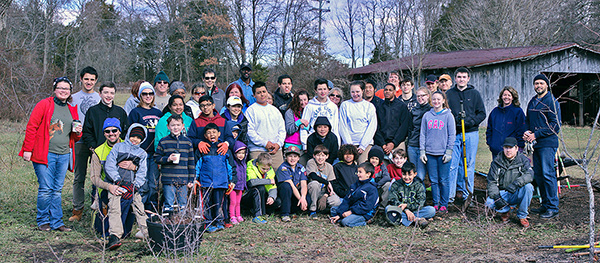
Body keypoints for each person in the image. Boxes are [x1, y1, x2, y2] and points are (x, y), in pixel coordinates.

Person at [20, 77, 82, 232]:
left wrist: (78, 133)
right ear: (55, 89)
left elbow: (73, 135)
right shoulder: (45, 105)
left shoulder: (71, 108)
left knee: (57, 189)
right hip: (45, 153)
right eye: (60, 88)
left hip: (63, 154)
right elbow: (32, 126)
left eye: (66, 89)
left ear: (70, 92)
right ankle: (43, 221)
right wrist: (28, 149)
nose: (63, 91)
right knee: (46, 188)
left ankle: (57, 222)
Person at [90, 118, 139, 239]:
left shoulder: (130, 146)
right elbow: (94, 178)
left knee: (127, 196)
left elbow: (143, 169)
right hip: (107, 189)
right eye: (107, 131)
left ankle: (118, 231)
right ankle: (112, 233)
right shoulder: (98, 151)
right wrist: (110, 187)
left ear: (120, 132)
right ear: (104, 133)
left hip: (127, 186)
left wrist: (134, 167)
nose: (111, 134)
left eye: (114, 130)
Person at [104, 124, 149, 250]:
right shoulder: (118, 147)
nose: (135, 139)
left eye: (138, 138)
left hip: (132, 186)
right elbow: (110, 164)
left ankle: (148, 233)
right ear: (129, 134)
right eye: (133, 136)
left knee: (139, 207)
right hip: (116, 185)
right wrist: (117, 180)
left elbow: (142, 172)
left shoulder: (142, 153)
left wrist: (135, 186)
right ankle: (114, 236)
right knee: (114, 207)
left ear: (142, 139)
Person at [446, 67, 486, 203]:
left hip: (470, 133)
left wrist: (470, 121)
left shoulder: (474, 93)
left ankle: (467, 193)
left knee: (468, 164)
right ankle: (450, 195)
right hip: (454, 134)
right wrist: (455, 122)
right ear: (455, 79)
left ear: (468, 79)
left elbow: (481, 113)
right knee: (452, 164)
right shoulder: (449, 94)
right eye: (459, 77)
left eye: (464, 77)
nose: (461, 79)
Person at [524, 74, 561, 219]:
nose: (538, 86)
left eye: (541, 83)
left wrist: (536, 134)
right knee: (539, 175)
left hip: (547, 143)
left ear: (547, 85)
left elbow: (555, 125)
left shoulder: (551, 101)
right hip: (536, 145)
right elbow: (528, 120)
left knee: (548, 174)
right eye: (536, 83)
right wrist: (527, 132)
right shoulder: (533, 101)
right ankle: (545, 204)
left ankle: (553, 206)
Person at [70, 66, 100, 222]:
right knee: (79, 176)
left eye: (92, 79)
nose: (89, 82)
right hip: (79, 141)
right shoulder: (73, 98)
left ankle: (99, 207)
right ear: (81, 79)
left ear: (96, 81)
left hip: (96, 142)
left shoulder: (99, 98)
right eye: (86, 79)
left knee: (98, 176)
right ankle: (78, 209)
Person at [128, 82, 163, 210]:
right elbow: (130, 133)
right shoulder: (135, 112)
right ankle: (139, 210)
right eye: (144, 94)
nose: (148, 96)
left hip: (154, 153)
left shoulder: (158, 112)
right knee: (142, 183)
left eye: (150, 93)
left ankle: (151, 210)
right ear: (140, 95)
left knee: (154, 184)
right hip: (140, 153)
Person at [195, 123, 237, 232]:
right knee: (207, 204)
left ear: (219, 134)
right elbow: (196, 166)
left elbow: (231, 166)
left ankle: (220, 222)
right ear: (205, 135)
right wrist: (195, 179)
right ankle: (208, 224)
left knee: (220, 204)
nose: (211, 135)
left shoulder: (224, 149)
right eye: (208, 133)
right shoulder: (202, 149)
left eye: (214, 132)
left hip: (221, 182)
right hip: (206, 182)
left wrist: (232, 181)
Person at [485, 137, 534, 228]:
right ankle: (505, 211)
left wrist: (516, 183)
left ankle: (522, 215)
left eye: (510, 148)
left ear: (516, 148)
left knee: (528, 187)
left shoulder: (523, 160)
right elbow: (491, 182)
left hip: (516, 190)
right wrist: (497, 197)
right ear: (503, 148)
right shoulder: (497, 162)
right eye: (506, 148)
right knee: (489, 203)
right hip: (503, 192)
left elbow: (530, 175)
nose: (508, 150)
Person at [420, 91, 456, 213]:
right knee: (433, 180)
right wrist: (422, 151)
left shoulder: (448, 116)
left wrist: (449, 151)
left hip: (443, 154)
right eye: (434, 99)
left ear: (443, 101)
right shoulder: (427, 116)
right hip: (430, 153)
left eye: (438, 99)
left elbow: (452, 135)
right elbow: (423, 134)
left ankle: (444, 204)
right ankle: (436, 203)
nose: (436, 102)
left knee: (444, 180)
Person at [154, 114, 195, 211]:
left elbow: (191, 162)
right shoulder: (163, 141)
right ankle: (168, 223)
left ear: (183, 126)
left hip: (183, 179)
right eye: (172, 125)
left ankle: (181, 223)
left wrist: (191, 179)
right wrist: (167, 159)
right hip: (168, 179)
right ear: (168, 127)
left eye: (178, 125)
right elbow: (156, 158)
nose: (175, 127)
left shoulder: (188, 142)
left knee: (183, 204)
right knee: (169, 203)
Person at [246, 82, 286, 169]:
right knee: (259, 179)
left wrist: (278, 144)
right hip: (258, 150)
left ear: (267, 92)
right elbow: (250, 132)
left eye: (264, 91)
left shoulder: (275, 110)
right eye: (259, 93)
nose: (262, 94)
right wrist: (265, 143)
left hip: (275, 151)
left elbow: (282, 129)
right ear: (254, 95)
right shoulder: (251, 111)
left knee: (280, 178)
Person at [385, 162, 435, 228]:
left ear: (415, 174)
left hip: (415, 210)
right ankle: (416, 220)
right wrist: (406, 210)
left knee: (431, 210)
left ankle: (404, 220)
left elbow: (420, 203)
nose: (407, 177)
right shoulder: (396, 184)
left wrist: (407, 206)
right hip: (401, 210)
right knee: (388, 209)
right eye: (404, 174)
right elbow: (393, 199)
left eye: (409, 175)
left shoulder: (419, 185)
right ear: (401, 173)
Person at [330, 162, 378, 228]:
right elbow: (347, 200)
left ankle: (365, 222)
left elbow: (366, 206)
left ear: (368, 174)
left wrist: (351, 212)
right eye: (357, 172)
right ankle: (343, 218)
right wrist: (340, 215)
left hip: (363, 213)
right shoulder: (354, 185)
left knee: (344, 222)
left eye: (360, 172)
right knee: (333, 209)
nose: (358, 174)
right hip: (352, 209)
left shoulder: (372, 188)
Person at [339, 80, 378, 163]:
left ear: (362, 91)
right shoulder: (345, 105)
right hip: (348, 144)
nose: (355, 94)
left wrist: (363, 145)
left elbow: (372, 126)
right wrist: (349, 145)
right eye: (352, 92)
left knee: (362, 169)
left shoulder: (369, 106)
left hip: (365, 145)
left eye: (357, 91)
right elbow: (342, 125)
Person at [486, 86, 526, 159]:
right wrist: (490, 143)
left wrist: (519, 146)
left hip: (511, 151)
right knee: (497, 170)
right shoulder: (495, 112)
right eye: (504, 95)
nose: (506, 97)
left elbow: (521, 130)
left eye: (509, 95)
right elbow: (489, 129)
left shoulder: (518, 112)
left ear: (513, 97)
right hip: (496, 150)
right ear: (501, 97)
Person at [374, 83, 410, 160]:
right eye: (386, 90)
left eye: (390, 90)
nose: (387, 91)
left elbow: (404, 127)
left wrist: (393, 143)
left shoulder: (402, 106)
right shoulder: (379, 107)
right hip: (382, 144)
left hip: (398, 142)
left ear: (394, 92)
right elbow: (375, 126)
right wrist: (383, 144)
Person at [301, 78, 340, 150]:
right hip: (313, 141)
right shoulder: (309, 106)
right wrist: (305, 145)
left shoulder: (333, 106)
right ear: (315, 91)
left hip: (329, 141)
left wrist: (337, 144)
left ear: (328, 90)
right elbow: (304, 127)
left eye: (325, 89)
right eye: (320, 89)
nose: (323, 92)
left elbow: (335, 128)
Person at [276, 145, 308, 222]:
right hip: (285, 194)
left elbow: (304, 184)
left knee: (308, 199)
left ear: (298, 158)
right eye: (290, 156)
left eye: (295, 156)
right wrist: (300, 199)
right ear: (286, 157)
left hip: (295, 194)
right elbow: (291, 185)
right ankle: (285, 213)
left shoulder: (301, 167)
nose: (292, 159)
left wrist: (303, 197)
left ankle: (295, 210)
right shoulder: (283, 168)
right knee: (286, 186)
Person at [406, 87, 432, 181]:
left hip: (425, 146)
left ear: (428, 96)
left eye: (423, 96)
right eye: (418, 96)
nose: (420, 98)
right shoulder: (414, 110)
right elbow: (409, 127)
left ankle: (422, 194)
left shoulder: (431, 111)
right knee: (413, 174)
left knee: (420, 175)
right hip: (413, 144)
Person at [246, 153, 279, 224]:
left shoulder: (270, 170)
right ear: (257, 164)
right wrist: (268, 181)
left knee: (278, 202)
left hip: (262, 196)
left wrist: (271, 197)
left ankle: (265, 212)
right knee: (260, 188)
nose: (265, 171)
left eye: (267, 169)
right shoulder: (251, 166)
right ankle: (258, 215)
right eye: (263, 169)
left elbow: (272, 186)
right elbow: (251, 182)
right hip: (250, 195)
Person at [306, 145, 335, 219]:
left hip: (323, 192)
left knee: (336, 201)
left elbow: (332, 183)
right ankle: (313, 210)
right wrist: (327, 182)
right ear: (314, 156)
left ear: (327, 156)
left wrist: (325, 196)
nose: (320, 158)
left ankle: (322, 208)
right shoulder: (311, 162)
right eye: (318, 155)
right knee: (315, 184)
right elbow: (313, 176)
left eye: (323, 155)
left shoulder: (329, 166)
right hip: (312, 191)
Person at [284, 89, 310, 163]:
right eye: (300, 100)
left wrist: (306, 127)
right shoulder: (290, 112)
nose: (303, 102)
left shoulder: (309, 111)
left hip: (304, 147)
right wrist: (299, 122)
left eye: (305, 99)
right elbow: (289, 129)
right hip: (291, 145)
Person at [230, 141, 248, 224]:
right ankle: (232, 216)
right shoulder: (233, 163)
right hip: (233, 186)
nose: (241, 155)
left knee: (238, 202)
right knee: (233, 202)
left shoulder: (244, 164)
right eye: (239, 153)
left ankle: (238, 215)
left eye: (243, 153)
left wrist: (244, 186)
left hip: (240, 187)